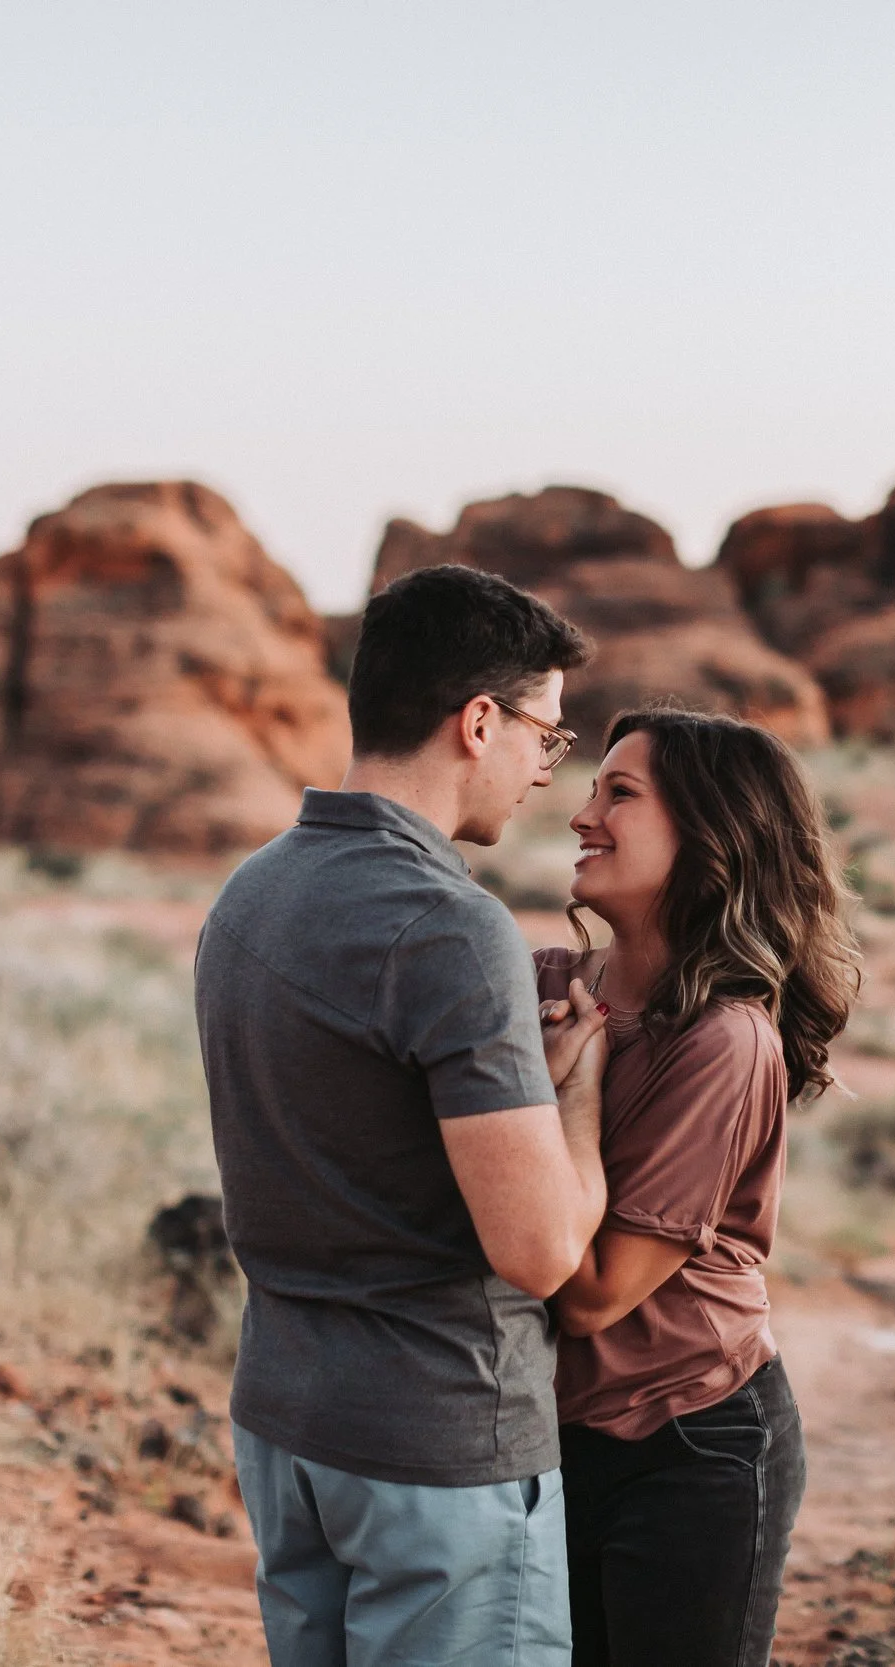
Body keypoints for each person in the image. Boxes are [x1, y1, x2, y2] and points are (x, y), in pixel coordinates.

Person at [194, 563, 610, 1667]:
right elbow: (542, 1250)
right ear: (477, 722)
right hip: (437, 1447)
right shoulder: (448, 927)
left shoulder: (251, 892)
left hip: (287, 1424)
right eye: (544, 734)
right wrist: (575, 1092)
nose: (545, 770)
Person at [534, 708, 863, 1667]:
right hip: (550, 1436)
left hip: (691, 1446)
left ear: (708, 833)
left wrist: (575, 1092)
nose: (582, 816)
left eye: (620, 794)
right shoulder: (549, 983)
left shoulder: (724, 1040)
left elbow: (594, 1294)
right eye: (591, 789)